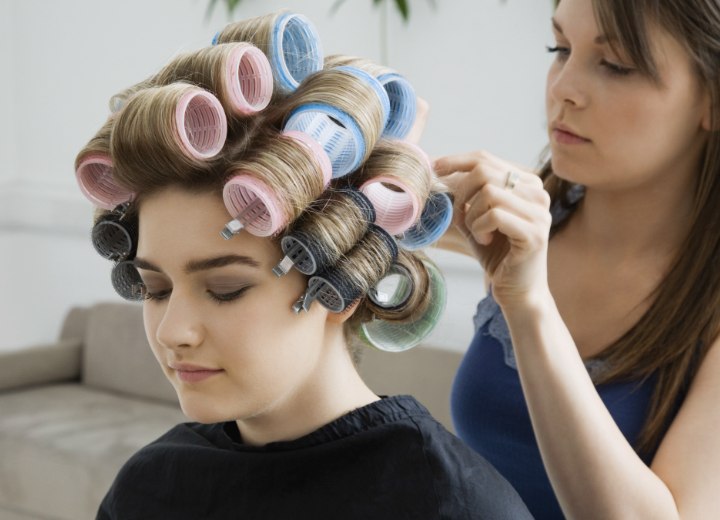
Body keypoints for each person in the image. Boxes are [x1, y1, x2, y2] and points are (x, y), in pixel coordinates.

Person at [74, 11, 533, 520]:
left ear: (345, 284)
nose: (172, 332)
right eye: (155, 288)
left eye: (225, 288)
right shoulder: (149, 488)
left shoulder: (450, 504)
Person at [435, 0, 720, 518]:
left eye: (615, 65)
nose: (563, 87)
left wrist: (530, 306)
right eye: (560, 48)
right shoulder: (534, 219)